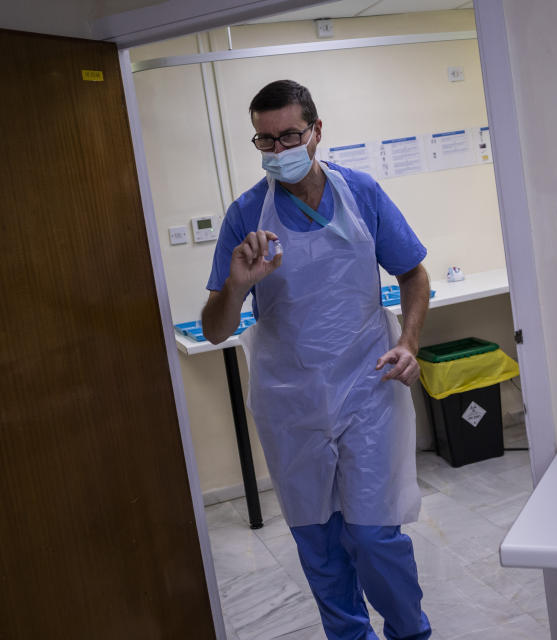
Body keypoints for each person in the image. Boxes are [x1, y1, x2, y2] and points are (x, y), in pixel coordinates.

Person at [202, 79, 432, 640]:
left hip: (366, 385)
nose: (278, 151)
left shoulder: (362, 194)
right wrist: (235, 286)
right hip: (290, 399)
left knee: (376, 535)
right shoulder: (246, 217)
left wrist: (410, 342)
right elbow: (215, 330)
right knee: (320, 544)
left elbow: (414, 273)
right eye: (265, 140)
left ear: (316, 131)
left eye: (289, 136)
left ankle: (410, 632)